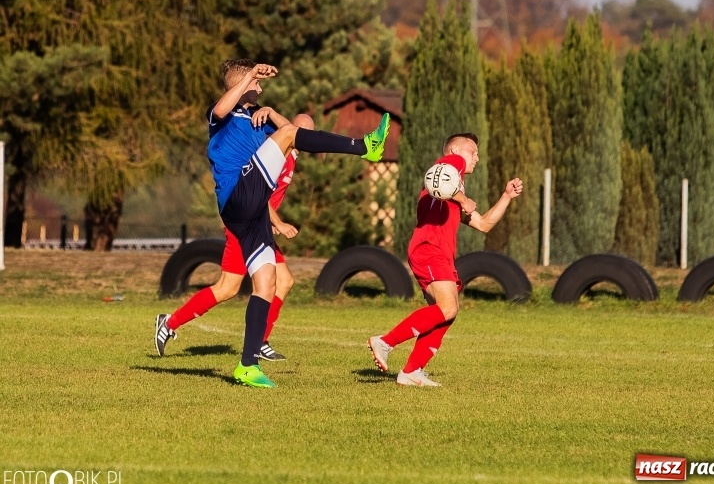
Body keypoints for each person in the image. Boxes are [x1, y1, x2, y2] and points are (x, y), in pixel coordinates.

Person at [158, 59, 389, 389]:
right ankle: (367, 147)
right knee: (231, 285)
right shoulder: (220, 116)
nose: (261, 88)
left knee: (267, 285)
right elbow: (227, 108)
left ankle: (247, 366)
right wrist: (249, 76)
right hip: (237, 197)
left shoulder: (257, 123)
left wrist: (267, 107)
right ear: (243, 83)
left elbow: (296, 135)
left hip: (250, 217)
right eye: (257, 84)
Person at [154, 113, 313, 363]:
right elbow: (256, 193)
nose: (309, 139)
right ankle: (170, 322)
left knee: (284, 281)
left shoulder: (291, 156)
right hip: (245, 226)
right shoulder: (279, 154)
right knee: (228, 288)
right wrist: (278, 223)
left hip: (258, 225)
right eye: (305, 133)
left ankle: (261, 341)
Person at [367, 132, 522, 387]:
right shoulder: (450, 166)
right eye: (473, 152)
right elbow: (437, 176)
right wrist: (463, 198)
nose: (477, 158)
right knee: (448, 308)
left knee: (445, 313)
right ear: (454, 150)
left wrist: (506, 196)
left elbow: (483, 224)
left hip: (438, 253)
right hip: (430, 249)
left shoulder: (451, 191)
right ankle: (385, 342)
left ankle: (411, 372)